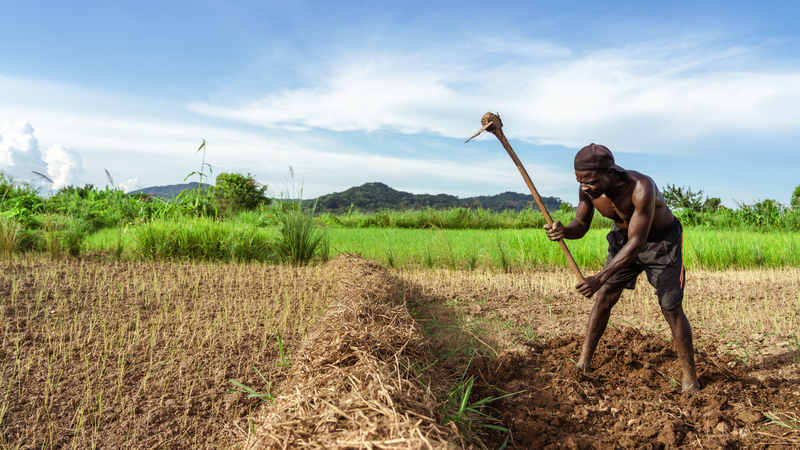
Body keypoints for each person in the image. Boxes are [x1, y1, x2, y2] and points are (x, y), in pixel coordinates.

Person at [544, 143, 700, 392]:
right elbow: (581, 224)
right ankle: (584, 362)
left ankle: (690, 379)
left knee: (670, 307)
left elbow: (637, 244)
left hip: (660, 242)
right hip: (624, 238)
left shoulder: (641, 187)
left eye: (590, 181)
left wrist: (599, 277)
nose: (585, 187)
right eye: (580, 181)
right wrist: (564, 231)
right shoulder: (588, 188)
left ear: (610, 172)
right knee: (605, 296)